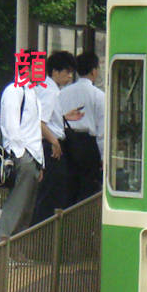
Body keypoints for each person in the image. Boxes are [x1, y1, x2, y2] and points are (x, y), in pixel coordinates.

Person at [0, 66, 47, 243]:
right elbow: (11, 125)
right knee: (17, 203)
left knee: (26, 206)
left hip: (32, 156)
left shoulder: (31, 92)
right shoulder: (14, 91)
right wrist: (21, 154)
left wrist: (39, 163)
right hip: (24, 155)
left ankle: (15, 248)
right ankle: (2, 246)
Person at [31, 51, 84, 222]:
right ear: (54, 71)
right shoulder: (50, 91)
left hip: (42, 146)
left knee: (45, 194)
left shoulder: (42, 87)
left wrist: (64, 116)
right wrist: (54, 142)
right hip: (49, 147)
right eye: (66, 72)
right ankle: (43, 237)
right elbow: (40, 122)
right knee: (52, 195)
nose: (69, 77)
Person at [58, 51, 105, 203]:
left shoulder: (62, 93)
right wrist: (104, 156)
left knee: (68, 187)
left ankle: (66, 222)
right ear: (94, 70)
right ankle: (83, 224)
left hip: (66, 142)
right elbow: (102, 130)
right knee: (88, 188)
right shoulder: (98, 95)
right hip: (88, 145)